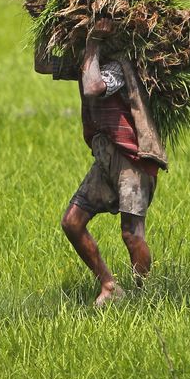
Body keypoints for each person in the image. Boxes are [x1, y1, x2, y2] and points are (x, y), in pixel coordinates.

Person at [34, 18, 168, 307]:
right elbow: (42, 64)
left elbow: (93, 86)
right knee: (72, 223)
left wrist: (93, 42)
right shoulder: (86, 62)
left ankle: (143, 295)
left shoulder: (120, 65)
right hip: (106, 158)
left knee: (131, 234)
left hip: (132, 159)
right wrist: (45, 22)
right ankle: (109, 285)